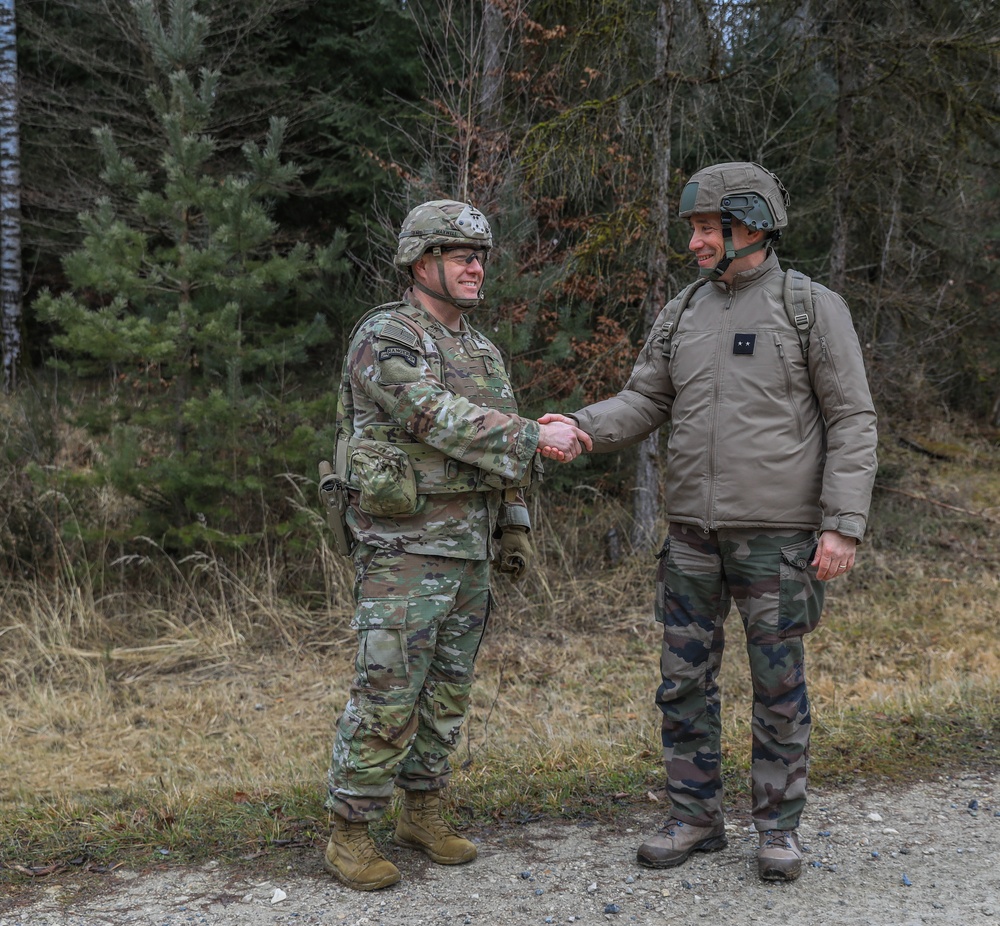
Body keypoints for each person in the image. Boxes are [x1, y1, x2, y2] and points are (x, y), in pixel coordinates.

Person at [540, 162, 877, 882]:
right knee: (682, 683)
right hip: (691, 536)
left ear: (748, 225)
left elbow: (853, 419)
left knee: (777, 685)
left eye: (703, 228)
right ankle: (693, 816)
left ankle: (778, 830)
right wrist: (581, 427)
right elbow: (643, 401)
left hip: (780, 542)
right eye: (692, 228)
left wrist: (842, 523)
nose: (692, 242)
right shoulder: (682, 312)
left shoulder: (809, 307)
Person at [321, 199, 591, 892]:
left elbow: (495, 447)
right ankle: (350, 831)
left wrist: (516, 526)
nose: (476, 266)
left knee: (446, 694)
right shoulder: (388, 337)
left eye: (481, 256)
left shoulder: (480, 349)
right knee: (387, 692)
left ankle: (424, 812)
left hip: (467, 549)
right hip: (403, 549)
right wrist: (535, 435)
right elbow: (433, 417)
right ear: (420, 262)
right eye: (460, 253)